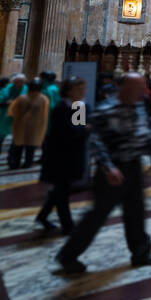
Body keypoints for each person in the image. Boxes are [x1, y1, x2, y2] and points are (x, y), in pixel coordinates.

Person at [55, 74, 151, 274]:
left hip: (134, 166)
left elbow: (146, 133)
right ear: (123, 88)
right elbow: (95, 141)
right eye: (138, 86)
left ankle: (141, 252)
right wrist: (108, 167)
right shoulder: (106, 109)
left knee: (136, 212)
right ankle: (67, 255)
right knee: (97, 216)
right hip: (113, 172)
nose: (143, 90)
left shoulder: (139, 106)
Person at [37, 76, 90, 235]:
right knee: (63, 190)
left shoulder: (78, 106)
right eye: (79, 89)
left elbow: (79, 132)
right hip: (59, 155)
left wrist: (83, 130)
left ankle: (43, 216)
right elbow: (68, 132)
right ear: (69, 90)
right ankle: (68, 226)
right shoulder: (61, 107)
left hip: (73, 153)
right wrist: (84, 129)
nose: (82, 92)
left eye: (83, 89)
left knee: (61, 188)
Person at [7, 79, 49, 169]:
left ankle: (15, 163)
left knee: (18, 146)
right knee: (30, 147)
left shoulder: (22, 98)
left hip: (20, 126)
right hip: (35, 127)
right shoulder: (44, 99)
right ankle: (28, 163)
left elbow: (12, 111)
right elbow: (45, 115)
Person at [0, 75, 23, 167]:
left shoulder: (25, 89)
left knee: (16, 141)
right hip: (3, 118)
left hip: (17, 119)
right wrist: (6, 103)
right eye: (18, 81)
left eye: (22, 82)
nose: (20, 84)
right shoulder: (6, 90)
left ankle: (11, 159)